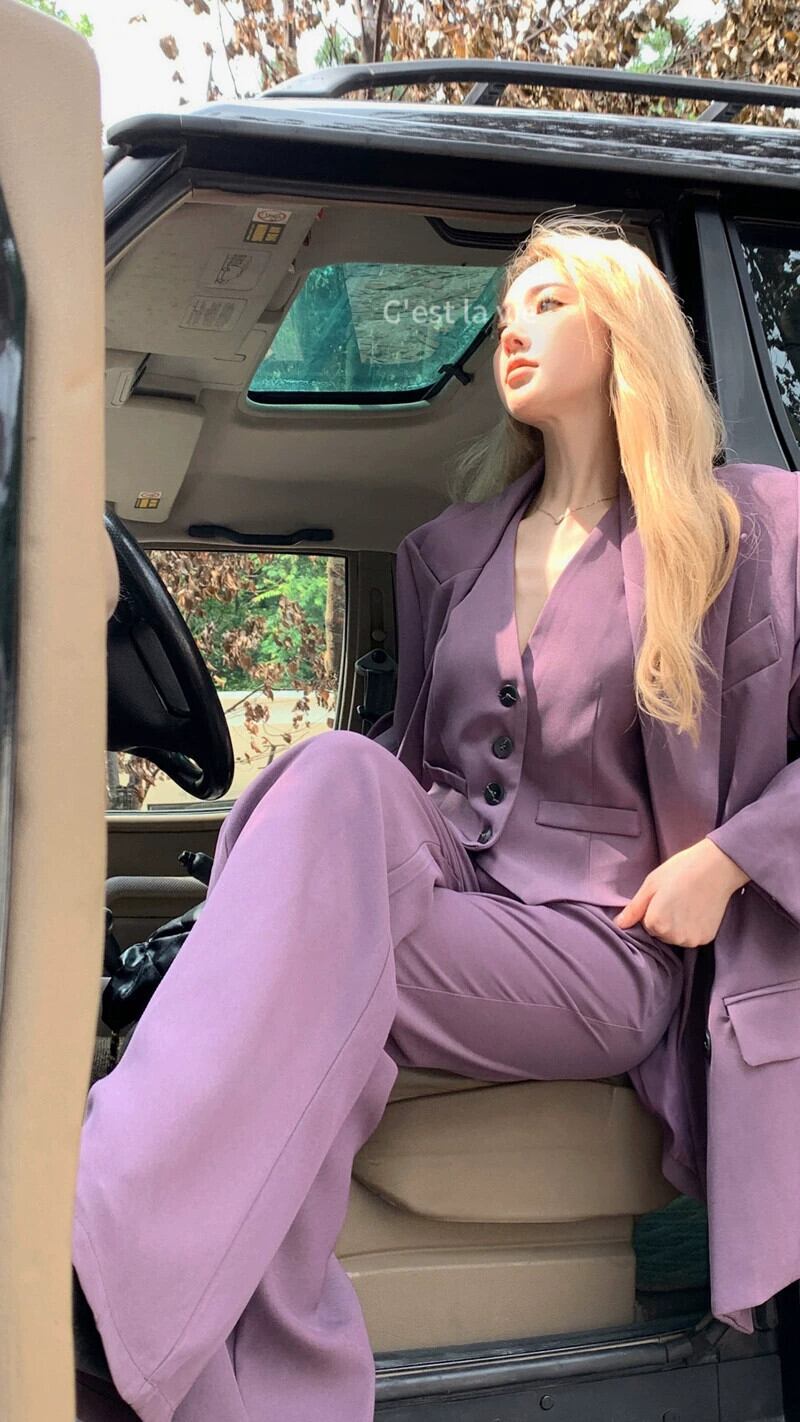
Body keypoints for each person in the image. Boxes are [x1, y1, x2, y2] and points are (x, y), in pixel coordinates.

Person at [73, 212, 757, 1422]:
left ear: (626, 325)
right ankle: (166, 1304)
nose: (511, 329)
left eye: (547, 301)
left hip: (600, 943)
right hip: (450, 882)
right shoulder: (449, 549)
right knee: (334, 776)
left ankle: (92, 1248)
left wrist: (731, 857)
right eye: (504, 312)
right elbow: (416, 766)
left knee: (305, 959)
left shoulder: (738, 528)